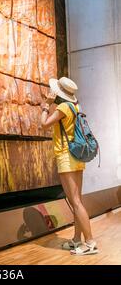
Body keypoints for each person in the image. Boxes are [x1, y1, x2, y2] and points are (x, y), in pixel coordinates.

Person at [40, 76, 99, 255]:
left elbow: (43, 125)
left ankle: (90, 243)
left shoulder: (63, 107)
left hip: (67, 156)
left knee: (75, 201)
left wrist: (46, 105)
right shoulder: (76, 106)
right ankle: (76, 239)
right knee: (77, 201)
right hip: (77, 156)